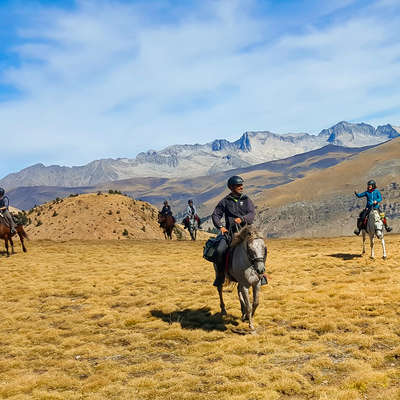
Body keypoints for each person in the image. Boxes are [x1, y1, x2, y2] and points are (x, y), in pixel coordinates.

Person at [211, 175, 266, 286]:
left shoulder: (246, 200)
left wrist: (242, 219)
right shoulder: (225, 201)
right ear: (231, 187)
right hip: (231, 234)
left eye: (241, 185)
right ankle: (221, 275)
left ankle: (261, 274)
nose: (241, 187)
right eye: (238, 185)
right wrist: (220, 227)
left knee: (262, 248)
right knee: (220, 250)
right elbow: (216, 214)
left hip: (248, 233)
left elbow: (251, 214)